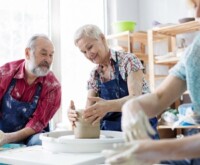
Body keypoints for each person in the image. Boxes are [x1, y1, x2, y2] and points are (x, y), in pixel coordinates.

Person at [103, 34, 200, 164]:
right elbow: (159, 97)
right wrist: (132, 106)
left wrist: (157, 150)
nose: (198, 13)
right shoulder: (195, 51)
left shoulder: (129, 60)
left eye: (90, 47)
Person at [67, 24, 158, 137]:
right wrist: (74, 116)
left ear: (102, 38)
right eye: (84, 52)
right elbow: (89, 113)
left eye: (90, 47)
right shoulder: (95, 75)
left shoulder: (128, 60)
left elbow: (135, 99)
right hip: (112, 133)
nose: (89, 54)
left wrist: (108, 106)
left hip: (139, 126)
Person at [0, 34, 61, 146]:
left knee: (41, 142)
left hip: (31, 136)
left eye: (51, 55)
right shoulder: (4, 73)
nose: (48, 59)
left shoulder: (53, 86)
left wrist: (8, 138)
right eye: (43, 54)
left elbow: (37, 123)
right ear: (28, 53)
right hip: (1, 132)